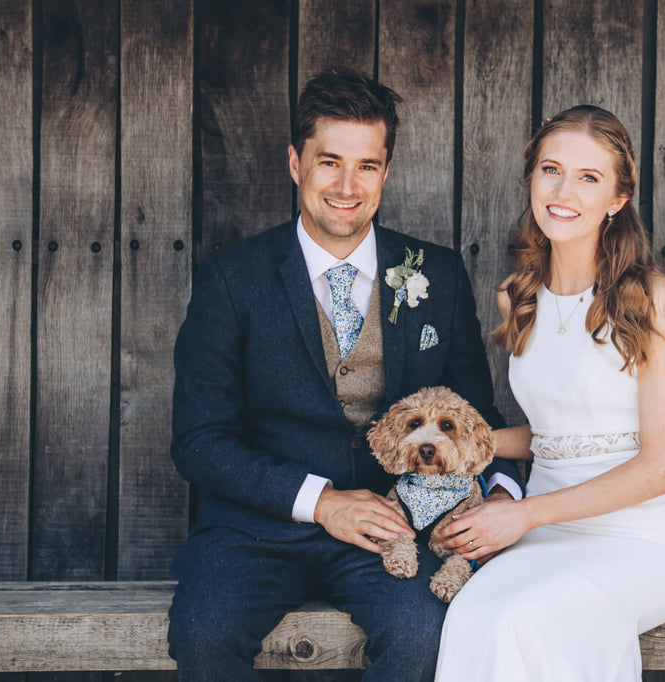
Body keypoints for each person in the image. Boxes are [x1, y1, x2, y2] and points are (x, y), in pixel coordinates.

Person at [166, 67, 522, 682]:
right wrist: (321, 502)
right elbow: (200, 443)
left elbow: (478, 418)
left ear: (385, 171)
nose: (347, 186)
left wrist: (500, 495)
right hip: (257, 528)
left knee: (425, 636)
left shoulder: (435, 274)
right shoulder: (233, 279)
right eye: (329, 161)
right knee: (202, 634)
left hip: (402, 528)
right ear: (295, 163)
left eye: (367, 165)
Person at [433, 105, 665, 681]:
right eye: (550, 169)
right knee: (473, 615)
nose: (563, 191)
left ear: (617, 199)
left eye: (589, 178)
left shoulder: (653, 299)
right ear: (531, 177)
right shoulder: (517, 296)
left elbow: (659, 468)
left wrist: (523, 516)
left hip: (646, 539)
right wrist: (462, 445)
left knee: (535, 616)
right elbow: (558, 433)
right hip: (548, 535)